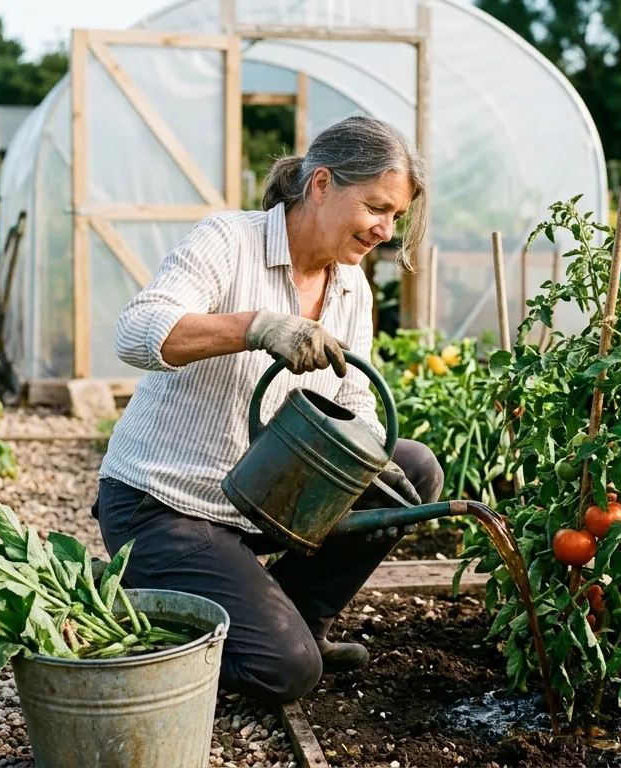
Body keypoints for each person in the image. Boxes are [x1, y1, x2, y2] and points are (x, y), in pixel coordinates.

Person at [92, 116, 443, 704]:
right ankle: (149, 607)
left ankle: (301, 618)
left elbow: (353, 395)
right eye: (377, 208)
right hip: (165, 507)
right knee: (286, 672)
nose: (385, 229)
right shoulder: (230, 241)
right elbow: (136, 333)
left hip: (259, 499)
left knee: (411, 470)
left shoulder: (350, 285)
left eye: (396, 218)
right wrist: (257, 326)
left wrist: (371, 453)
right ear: (323, 184)